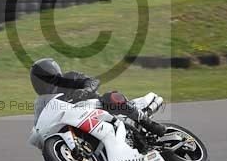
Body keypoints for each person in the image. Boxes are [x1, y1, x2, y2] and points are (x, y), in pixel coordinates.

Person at [29, 58, 166, 136]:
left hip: (97, 107)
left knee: (111, 97)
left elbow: (93, 81)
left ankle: (149, 124)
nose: (42, 82)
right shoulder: (45, 101)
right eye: (39, 79)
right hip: (75, 120)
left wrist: (86, 90)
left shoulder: (70, 77)